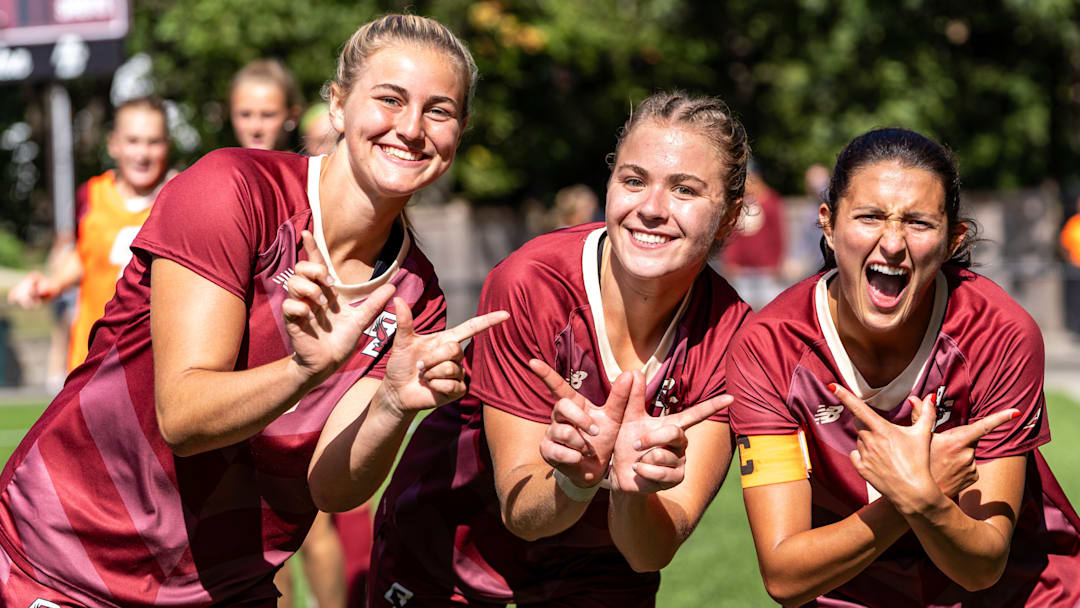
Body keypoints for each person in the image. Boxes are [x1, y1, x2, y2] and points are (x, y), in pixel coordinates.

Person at [0, 15, 506, 607]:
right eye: (390, 99)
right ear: (338, 106)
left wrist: (392, 406)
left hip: (226, 589)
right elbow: (183, 418)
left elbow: (331, 485)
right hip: (68, 564)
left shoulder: (417, 297)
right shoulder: (231, 190)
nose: (412, 128)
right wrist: (303, 371)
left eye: (440, 111)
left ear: (460, 131)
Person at [370, 91, 752, 607]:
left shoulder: (734, 337)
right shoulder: (532, 283)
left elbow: (649, 553)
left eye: (684, 190)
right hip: (454, 546)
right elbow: (522, 513)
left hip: (601, 567)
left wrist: (633, 492)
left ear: (729, 218)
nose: (652, 209)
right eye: (634, 181)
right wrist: (577, 478)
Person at [729, 128, 1080, 606]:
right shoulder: (768, 347)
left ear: (953, 239)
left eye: (918, 223)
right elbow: (785, 578)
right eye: (870, 216)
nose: (892, 243)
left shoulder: (999, 331)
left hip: (1015, 591)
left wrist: (920, 497)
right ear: (828, 225)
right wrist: (913, 495)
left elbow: (983, 566)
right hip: (853, 591)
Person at [7, 95, 174, 372]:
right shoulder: (91, 195)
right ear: (114, 144)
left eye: (153, 141)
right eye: (133, 141)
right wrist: (51, 285)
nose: (142, 153)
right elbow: (86, 255)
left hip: (154, 359)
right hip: (93, 357)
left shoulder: (181, 197)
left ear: (167, 145)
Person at [719, 160, 786, 309]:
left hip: (766, 269)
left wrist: (777, 262)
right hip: (742, 270)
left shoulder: (771, 202)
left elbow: (778, 235)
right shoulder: (739, 204)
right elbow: (731, 234)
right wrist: (730, 260)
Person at [229, 58, 303, 151]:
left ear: (293, 116)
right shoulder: (218, 164)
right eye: (245, 115)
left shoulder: (309, 165)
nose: (255, 127)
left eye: (268, 115)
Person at [1060, 195, 1080, 338]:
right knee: (1075, 301)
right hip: (1076, 269)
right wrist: (1069, 261)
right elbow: (1064, 245)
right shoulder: (1073, 223)